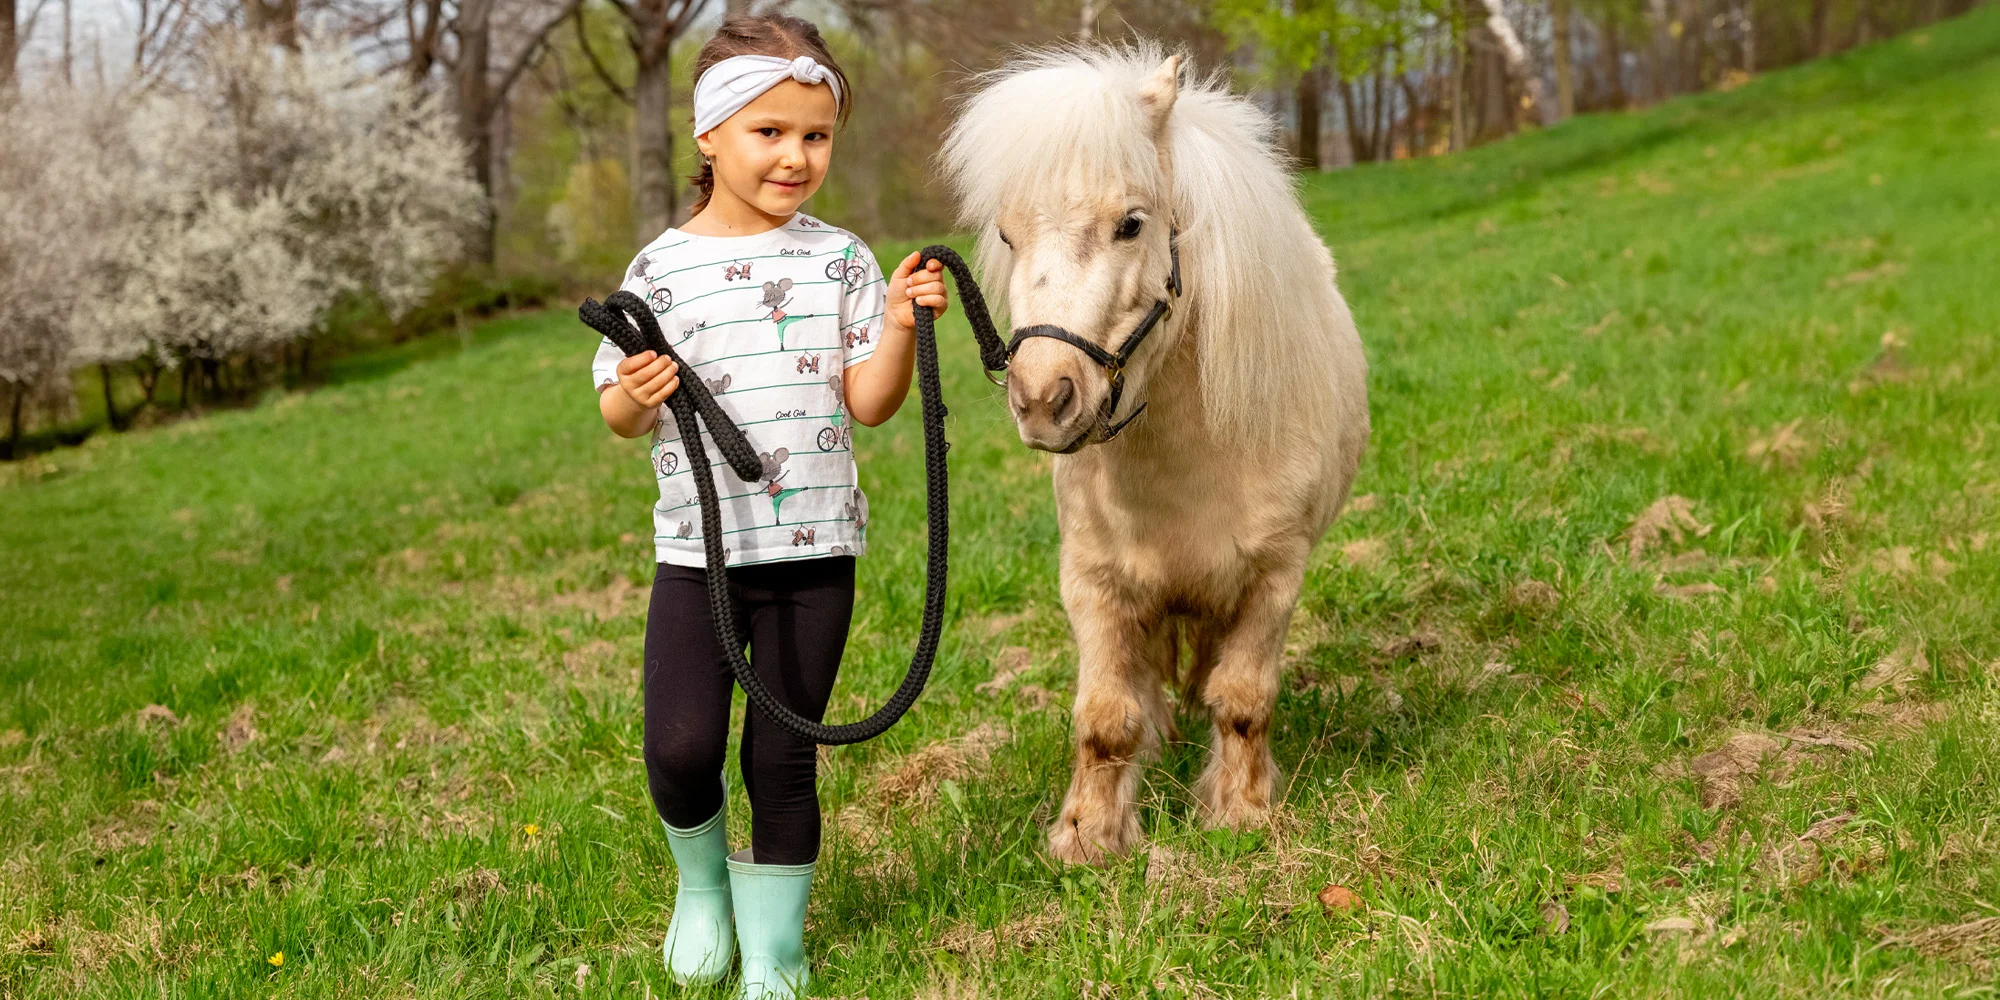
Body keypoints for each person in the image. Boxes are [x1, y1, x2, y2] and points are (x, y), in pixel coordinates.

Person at [589, 13, 949, 999]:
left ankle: (776, 957)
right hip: (698, 557)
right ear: (709, 136)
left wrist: (898, 326)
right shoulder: (659, 270)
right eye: (770, 132)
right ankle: (703, 889)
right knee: (679, 748)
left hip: (812, 555)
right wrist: (637, 394)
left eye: (816, 135)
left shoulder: (841, 259)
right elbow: (618, 412)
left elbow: (869, 403)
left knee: (782, 756)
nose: (796, 156)